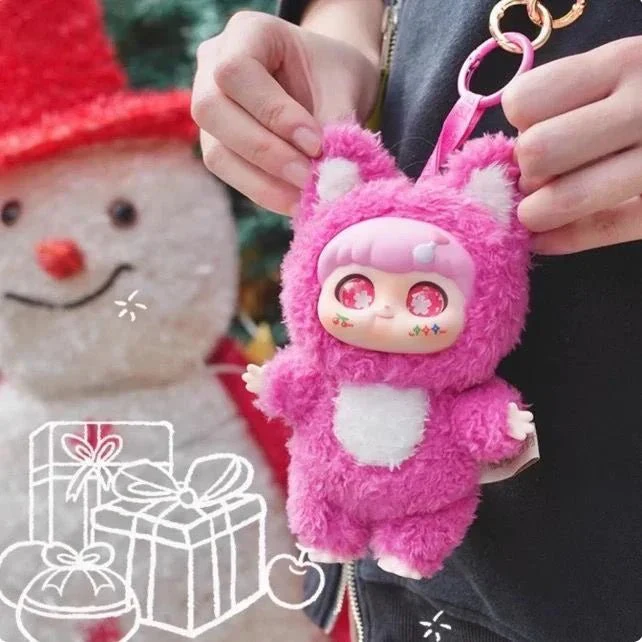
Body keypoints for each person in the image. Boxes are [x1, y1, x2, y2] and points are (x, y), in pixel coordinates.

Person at [191, 1, 642, 640]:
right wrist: (337, 34)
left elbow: (485, 422)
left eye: (423, 300)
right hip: (421, 595)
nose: (381, 312)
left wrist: (500, 424)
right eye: (356, 291)